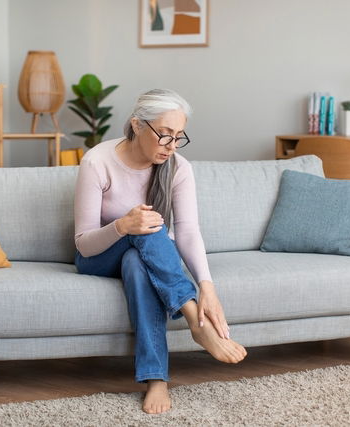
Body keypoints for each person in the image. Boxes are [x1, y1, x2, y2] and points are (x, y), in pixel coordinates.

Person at [74, 89, 247, 414]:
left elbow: (187, 231)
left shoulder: (179, 168)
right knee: (148, 226)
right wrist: (123, 226)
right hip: (97, 257)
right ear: (138, 125)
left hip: (140, 256)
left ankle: (156, 379)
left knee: (137, 262)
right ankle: (198, 324)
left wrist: (207, 285)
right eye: (164, 136)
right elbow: (83, 242)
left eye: (178, 137)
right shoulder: (97, 161)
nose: (171, 146)